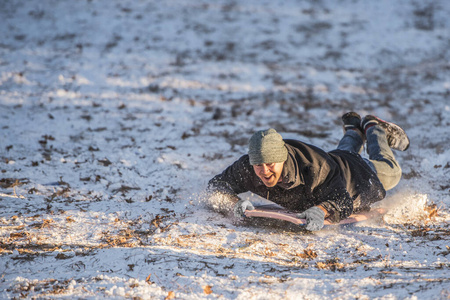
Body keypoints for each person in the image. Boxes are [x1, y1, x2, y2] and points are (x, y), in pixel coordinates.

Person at [207, 112, 410, 231]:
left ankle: (374, 128)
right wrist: (234, 203)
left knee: (392, 171)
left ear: (282, 158)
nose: (264, 171)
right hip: (335, 159)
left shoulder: (314, 170)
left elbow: (343, 200)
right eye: (258, 165)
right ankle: (353, 131)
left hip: (358, 174)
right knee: (341, 153)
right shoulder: (247, 167)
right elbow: (217, 185)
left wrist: (321, 210)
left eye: (271, 164)